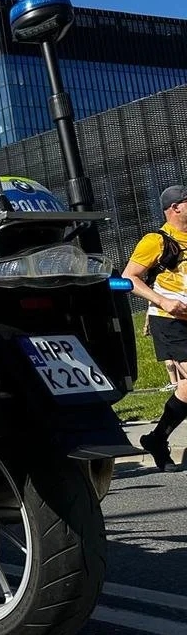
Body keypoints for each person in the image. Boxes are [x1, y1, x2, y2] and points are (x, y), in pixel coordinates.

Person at [124, 185, 187, 471]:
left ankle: (156, 438)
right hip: (169, 318)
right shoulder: (156, 240)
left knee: (186, 389)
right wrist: (163, 299)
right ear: (175, 208)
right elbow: (130, 278)